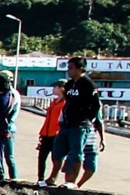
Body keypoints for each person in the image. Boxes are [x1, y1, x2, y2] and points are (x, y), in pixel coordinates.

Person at [56, 56, 102, 186]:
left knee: (77, 154)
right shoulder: (70, 84)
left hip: (80, 125)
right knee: (58, 151)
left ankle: (72, 182)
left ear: (80, 69)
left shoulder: (88, 85)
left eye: (71, 68)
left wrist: (87, 118)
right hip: (67, 124)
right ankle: (53, 177)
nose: (68, 70)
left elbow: (96, 105)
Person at [36, 82, 66, 184]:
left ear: (62, 88)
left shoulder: (65, 103)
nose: (53, 89)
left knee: (56, 158)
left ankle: (53, 178)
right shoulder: (53, 102)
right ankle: (40, 178)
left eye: (55, 87)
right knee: (41, 157)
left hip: (56, 134)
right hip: (46, 133)